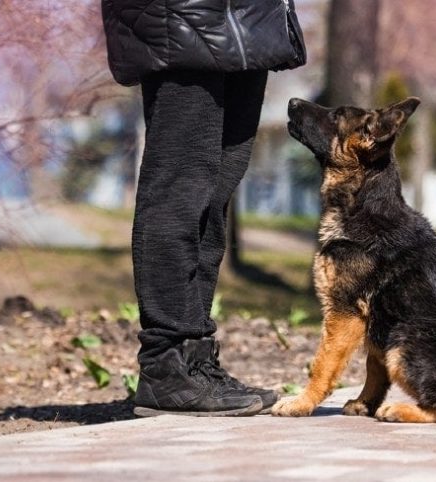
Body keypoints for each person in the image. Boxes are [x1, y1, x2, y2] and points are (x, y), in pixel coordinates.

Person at [101, 1, 305, 416]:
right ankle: (166, 363)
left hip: (249, 16)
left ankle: (195, 360)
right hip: (183, 13)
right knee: (180, 186)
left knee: (215, 190)